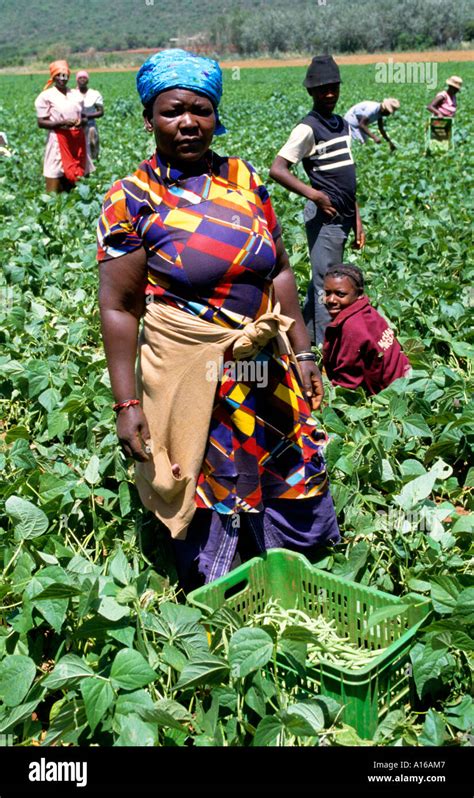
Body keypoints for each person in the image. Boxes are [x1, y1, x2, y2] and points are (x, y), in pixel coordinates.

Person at [97, 49, 340, 593]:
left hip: (263, 363)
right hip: (195, 371)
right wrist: (127, 404)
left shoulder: (244, 177)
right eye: (172, 111)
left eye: (201, 110)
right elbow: (119, 306)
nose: (188, 123)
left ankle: (299, 577)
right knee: (208, 475)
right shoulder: (133, 197)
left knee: (285, 463)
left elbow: (277, 268)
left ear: (215, 115)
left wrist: (302, 351)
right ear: (148, 118)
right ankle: (221, 596)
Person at [269, 55, 365, 349]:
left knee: (321, 281)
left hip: (345, 216)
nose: (330, 94)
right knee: (329, 285)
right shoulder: (308, 128)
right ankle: (329, 351)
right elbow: (277, 169)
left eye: (333, 87)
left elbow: (349, 177)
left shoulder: (341, 124)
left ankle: (308, 341)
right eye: (323, 89)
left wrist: (357, 220)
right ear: (311, 92)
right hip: (325, 218)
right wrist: (314, 194)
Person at [322, 264, 411, 395]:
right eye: (327, 293)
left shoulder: (351, 327)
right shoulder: (366, 310)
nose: (331, 300)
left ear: (359, 294)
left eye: (340, 294)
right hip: (406, 375)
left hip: (394, 393)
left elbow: (348, 381)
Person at [35, 60, 94, 192]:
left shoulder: (76, 94)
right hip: (58, 139)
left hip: (77, 139)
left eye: (65, 75)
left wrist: (81, 121)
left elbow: (84, 116)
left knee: (79, 171)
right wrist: (61, 123)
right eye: (59, 75)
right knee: (55, 169)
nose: (63, 79)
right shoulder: (46, 96)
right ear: (54, 77)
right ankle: (53, 203)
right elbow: (41, 122)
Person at [74, 70, 104, 161]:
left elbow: (101, 112)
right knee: (78, 147)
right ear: (77, 80)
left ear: (88, 80)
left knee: (92, 144)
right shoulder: (72, 94)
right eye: (80, 78)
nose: (82, 79)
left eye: (84, 78)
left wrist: (87, 116)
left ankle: (93, 165)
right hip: (76, 125)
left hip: (91, 125)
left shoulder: (94, 94)